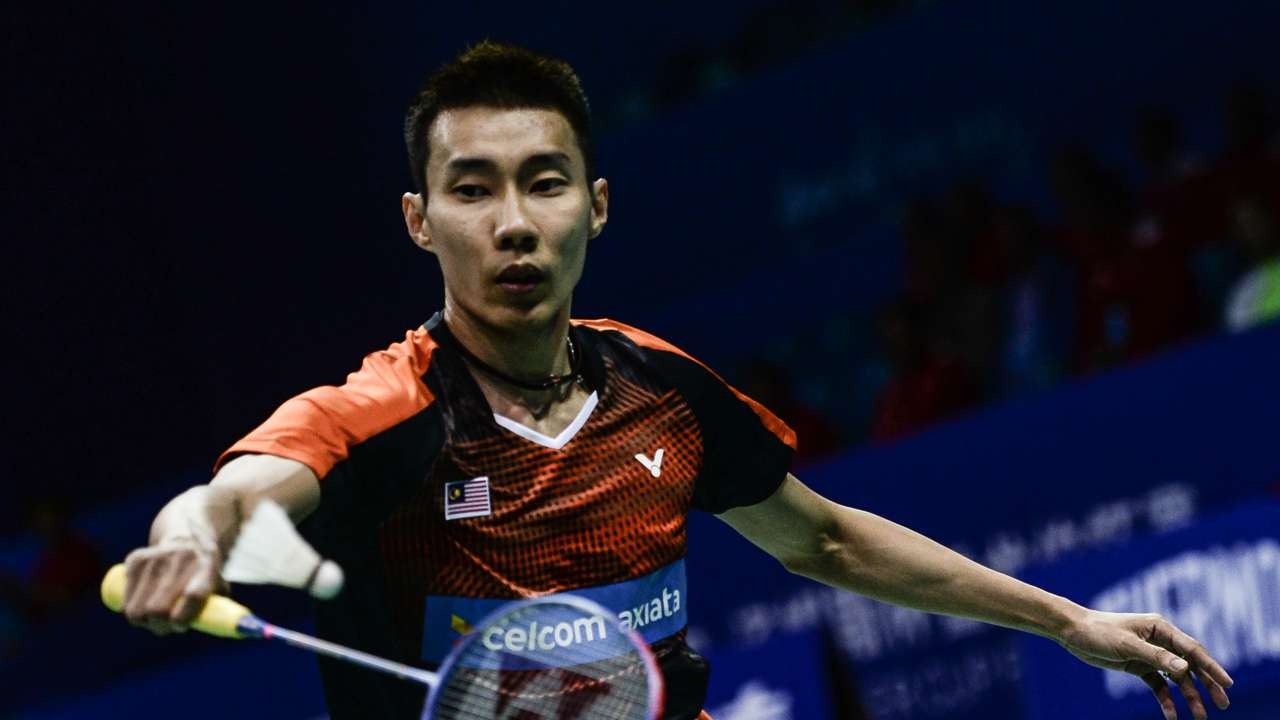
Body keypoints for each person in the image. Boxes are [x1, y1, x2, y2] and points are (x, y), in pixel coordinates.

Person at [120, 42, 1234, 720]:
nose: (513, 223)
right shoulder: (389, 411)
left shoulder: (657, 388)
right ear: (420, 220)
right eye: (471, 190)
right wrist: (190, 537)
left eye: (544, 182)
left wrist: (1065, 622)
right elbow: (241, 491)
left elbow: (827, 542)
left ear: (595, 206)